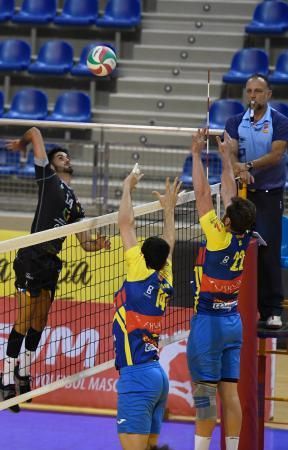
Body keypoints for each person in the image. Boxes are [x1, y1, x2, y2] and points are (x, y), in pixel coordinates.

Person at [0, 127, 110, 412]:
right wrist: (23, 144)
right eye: (60, 156)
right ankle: (4, 379)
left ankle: (23, 373)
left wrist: (99, 244)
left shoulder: (76, 204)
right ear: (52, 163)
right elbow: (36, 132)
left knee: (40, 320)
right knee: (23, 319)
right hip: (32, 256)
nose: (66, 158)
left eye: (67, 156)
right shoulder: (48, 179)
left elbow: (85, 243)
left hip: (51, 262)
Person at [186, 129, 256, 450]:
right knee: (230, 394)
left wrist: (197, 154)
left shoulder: (218, 237)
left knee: (204, 395)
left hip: (209, 326)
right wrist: (227, 156)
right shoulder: (245, 236)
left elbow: (202, 194)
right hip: (232, 324)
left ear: (226, 222)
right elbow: (231, 195)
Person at [114, 166, 181, 450]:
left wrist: (127, 187)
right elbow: (170, 244)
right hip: (156, 376)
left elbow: (125, 224)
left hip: (138, 377)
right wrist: (169, 209)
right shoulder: (165, 275)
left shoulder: (138, 271)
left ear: (141, 256)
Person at [225, 74, 288, 329]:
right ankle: (237, 308)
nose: (253, 95)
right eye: (249, 91)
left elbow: (276, 154)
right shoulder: (234, 122)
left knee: (267, 252)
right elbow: (230, 151)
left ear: (268, 95)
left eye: (258, 91)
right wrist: (237, 168)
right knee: (236, 251)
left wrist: (248, 166)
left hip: (268, 195)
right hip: (242, 195)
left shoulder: (280, 121)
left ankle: (272, 310)